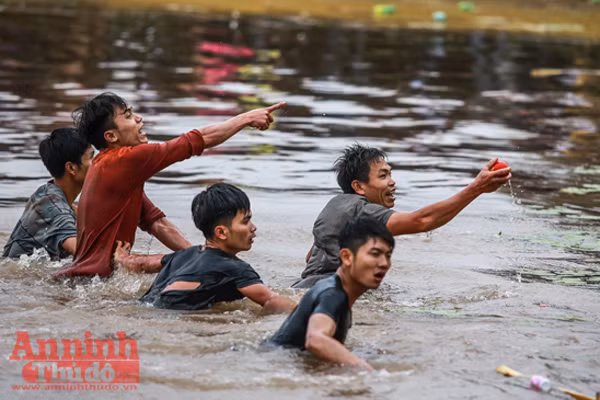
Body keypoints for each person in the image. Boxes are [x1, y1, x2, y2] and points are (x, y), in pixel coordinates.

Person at [54, 92, 284, 278]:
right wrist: (245, 118)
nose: (139, 119)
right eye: (128, 116)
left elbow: (156, 223)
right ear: (111, 136)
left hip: (86, 281)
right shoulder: (122, 160)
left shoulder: (111, 169)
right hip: (95, 282)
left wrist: (200, 255)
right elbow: (196, 140)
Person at [293, 144, 512, 288]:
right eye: (383, 176)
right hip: (328, 291)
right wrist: (476, 189)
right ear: (359, 186)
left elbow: (310, 258)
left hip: (306, 287)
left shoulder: (337, 205)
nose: (392, 182)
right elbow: (422, 221)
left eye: (390, 174)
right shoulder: (363, 211)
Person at [117, 183, 295, 313]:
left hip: (142, 308)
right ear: (221, 232)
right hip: (168, 318)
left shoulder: (183, 255)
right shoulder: (236, 269)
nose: (253, 227)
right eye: (245, 221)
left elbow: (140, 264)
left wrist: (121, 256)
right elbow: (271, 300)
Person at [268, 216, 394, 369]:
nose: (384, 263)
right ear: (347, 257)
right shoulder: (333, 294)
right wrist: (366, 370)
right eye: (375, 254)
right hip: (275, 363)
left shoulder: (335, 290)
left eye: (388, 255)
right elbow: (316, 340)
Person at [3, 128, 94, 259]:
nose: (97, 163)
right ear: (71, 168)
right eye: (92, 157)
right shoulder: (55, 209)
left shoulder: (46, 193)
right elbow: (84, 251)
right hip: (20, 271)